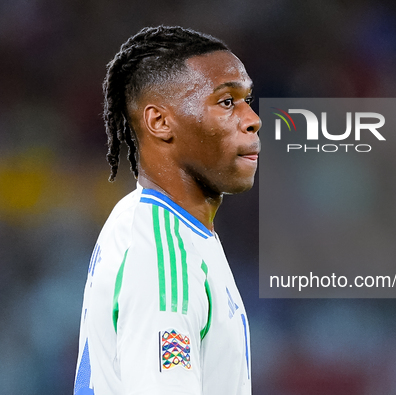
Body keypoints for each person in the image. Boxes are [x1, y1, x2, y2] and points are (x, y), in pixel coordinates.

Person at [73, 26, 260, 395]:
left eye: (246, 100)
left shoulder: (163, 225)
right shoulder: (162, 254)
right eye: (226, 102)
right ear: (160, 122)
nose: (251, 118)